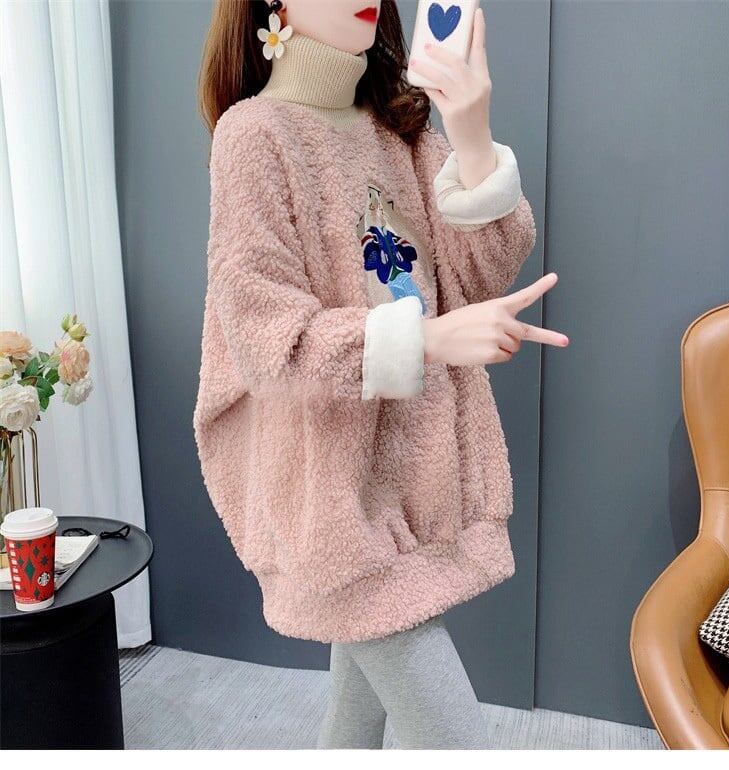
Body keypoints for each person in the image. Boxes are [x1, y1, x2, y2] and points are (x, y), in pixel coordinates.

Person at [194, 0, 568, 750]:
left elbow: (479, 273)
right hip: (331, 490)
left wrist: (471, 134)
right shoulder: (254, 135)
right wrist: (428, 339)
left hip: (411, 471)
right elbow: (268, 339)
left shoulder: (401, 128)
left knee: (354, 718)